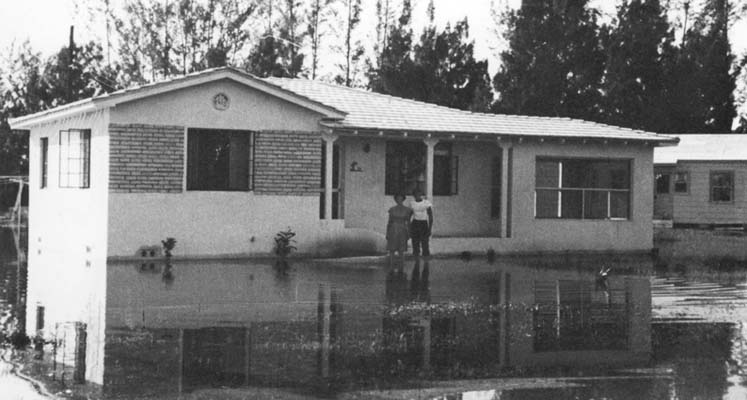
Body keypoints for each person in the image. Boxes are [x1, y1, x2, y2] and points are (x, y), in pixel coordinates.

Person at [386, 193, 412, 267]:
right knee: (392, 249)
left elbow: (408, 222)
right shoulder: (392, 209)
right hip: (393, 229)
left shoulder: (407, 210)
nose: (399, 200)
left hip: (403, 229)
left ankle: (401, 267)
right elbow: (389, 222)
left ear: (403, 199)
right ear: (395, 200)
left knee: (401, 250)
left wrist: (409, 233)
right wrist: (387, 233)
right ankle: (391, 266)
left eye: (400, 198)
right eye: (397, 198)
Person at [409, 189, 433, 258]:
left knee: (425, 242)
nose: (417, 196)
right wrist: (409, 228)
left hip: (423, 223)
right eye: (415, 195)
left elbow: (430, 216)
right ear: (414, 196)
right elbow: (409, 216)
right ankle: (416, 261)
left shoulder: (426, 203)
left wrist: (430, 228)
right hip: (415, 223)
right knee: (415, 242)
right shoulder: (412, 203)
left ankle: (426, 261)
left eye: (419, 194)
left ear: (421, 195)